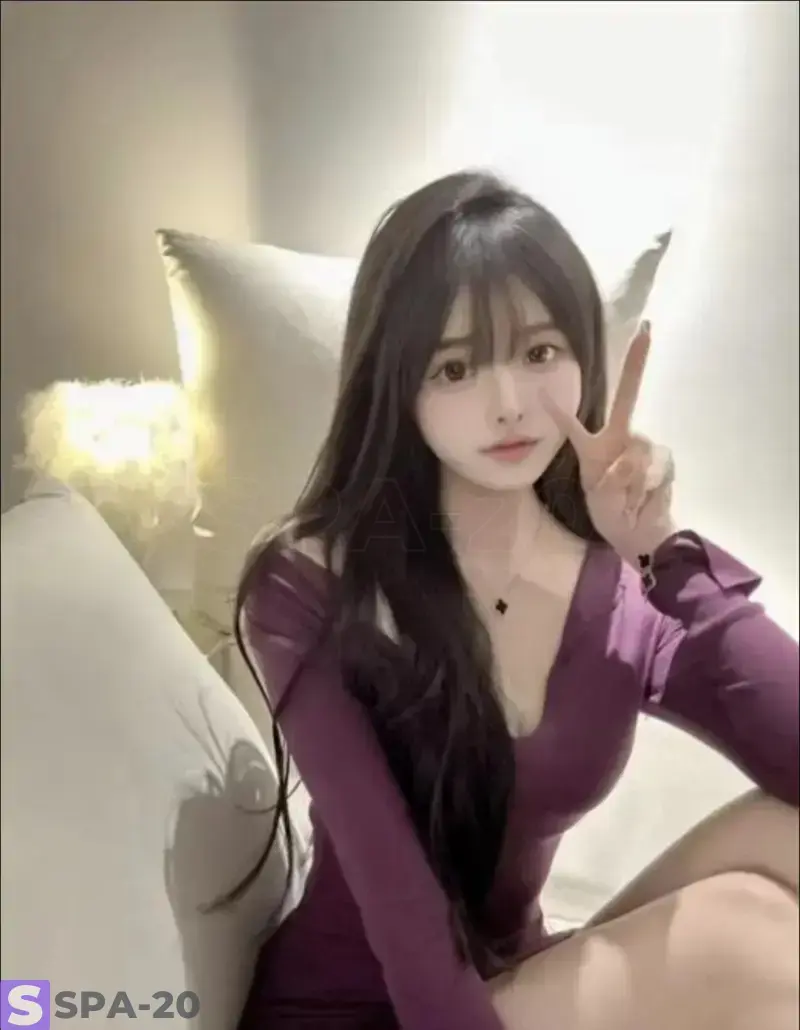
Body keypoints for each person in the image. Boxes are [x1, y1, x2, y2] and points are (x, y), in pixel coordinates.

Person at [232, 171, 799, 1030]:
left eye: (539, 354)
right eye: (456, 367)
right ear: (397, 382)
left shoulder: (618, 584)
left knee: (784, 842)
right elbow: (401, 908)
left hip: (520, 980)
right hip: (370, 1011)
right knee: (739, 939)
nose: (508, 407)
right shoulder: (310, 585)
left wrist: (663, 550)